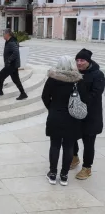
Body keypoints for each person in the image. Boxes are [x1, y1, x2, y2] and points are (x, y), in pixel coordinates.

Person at [41, 56, 86, 186]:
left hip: (55, 115)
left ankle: (53, 174)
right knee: (68, 146)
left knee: (54, 145)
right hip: (72, 118)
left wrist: (52, 108)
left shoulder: (52, 79)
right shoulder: (78, 80)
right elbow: (85, 98)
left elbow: (44, 96)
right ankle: (64, 176)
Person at [71, 49, 105, 180]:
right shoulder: (75, 73)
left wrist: (81, 100)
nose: (79, 63)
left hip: (91, 115)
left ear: (88, 61)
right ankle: (74, 158)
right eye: (77, 60)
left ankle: (87, 167)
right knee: (72, 136)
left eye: (82, 60)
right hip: (76, 113)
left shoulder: (98, 75)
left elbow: (96, 93)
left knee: (88, 142)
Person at [0, 29, 28, 100]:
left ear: (7, 34)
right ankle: (23, 93)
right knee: (16, 80)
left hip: (11, 65)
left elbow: (16, 52)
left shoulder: (12, 42)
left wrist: (9, 60)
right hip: (13, 65)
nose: (3, 36)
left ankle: (0, 90)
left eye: (3, 34)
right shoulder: (9, 41)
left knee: (1, 74)